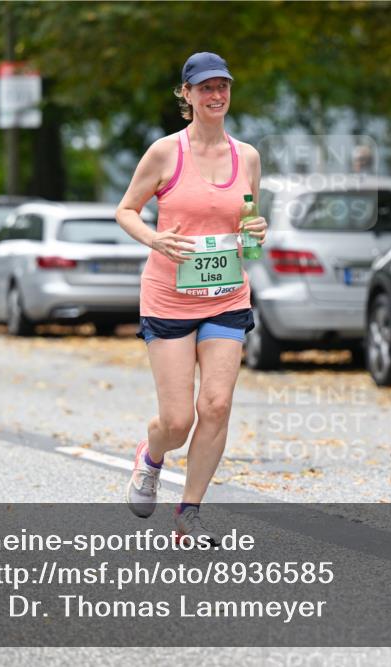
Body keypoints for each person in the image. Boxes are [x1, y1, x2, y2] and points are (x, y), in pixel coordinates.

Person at [115, 52, 267, 545]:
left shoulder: (247, 156)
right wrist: (154, 239)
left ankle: (189, 512)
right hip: (170, 298)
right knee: (177, 420)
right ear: (186, 94)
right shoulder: (164, 153)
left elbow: (247, 225)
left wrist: (256, 231)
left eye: (222, 86)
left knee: (218, 405)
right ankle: (152, 456)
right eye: (204, 88)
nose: (215, 95)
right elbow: (127, 210)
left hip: (226, 293)